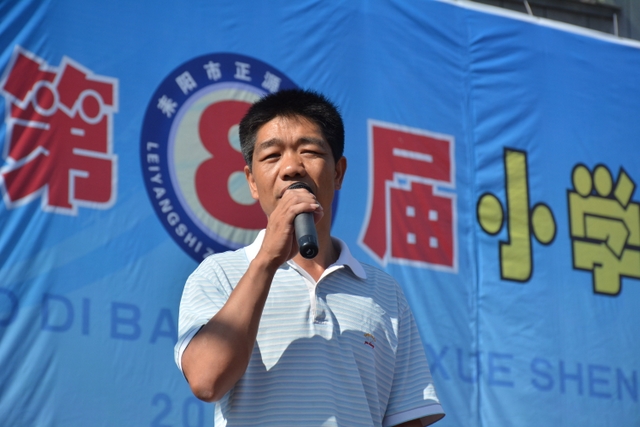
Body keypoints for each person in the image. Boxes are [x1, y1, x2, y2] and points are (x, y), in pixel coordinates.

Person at [174, 89, 445, 427]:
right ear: (252, 182)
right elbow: (206, 380)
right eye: (272, 156)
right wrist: (267, 261)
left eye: (310, 151)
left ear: (339, 172)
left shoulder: (384, 292)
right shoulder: (219, 274)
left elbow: (406, 419)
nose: (292, 168)